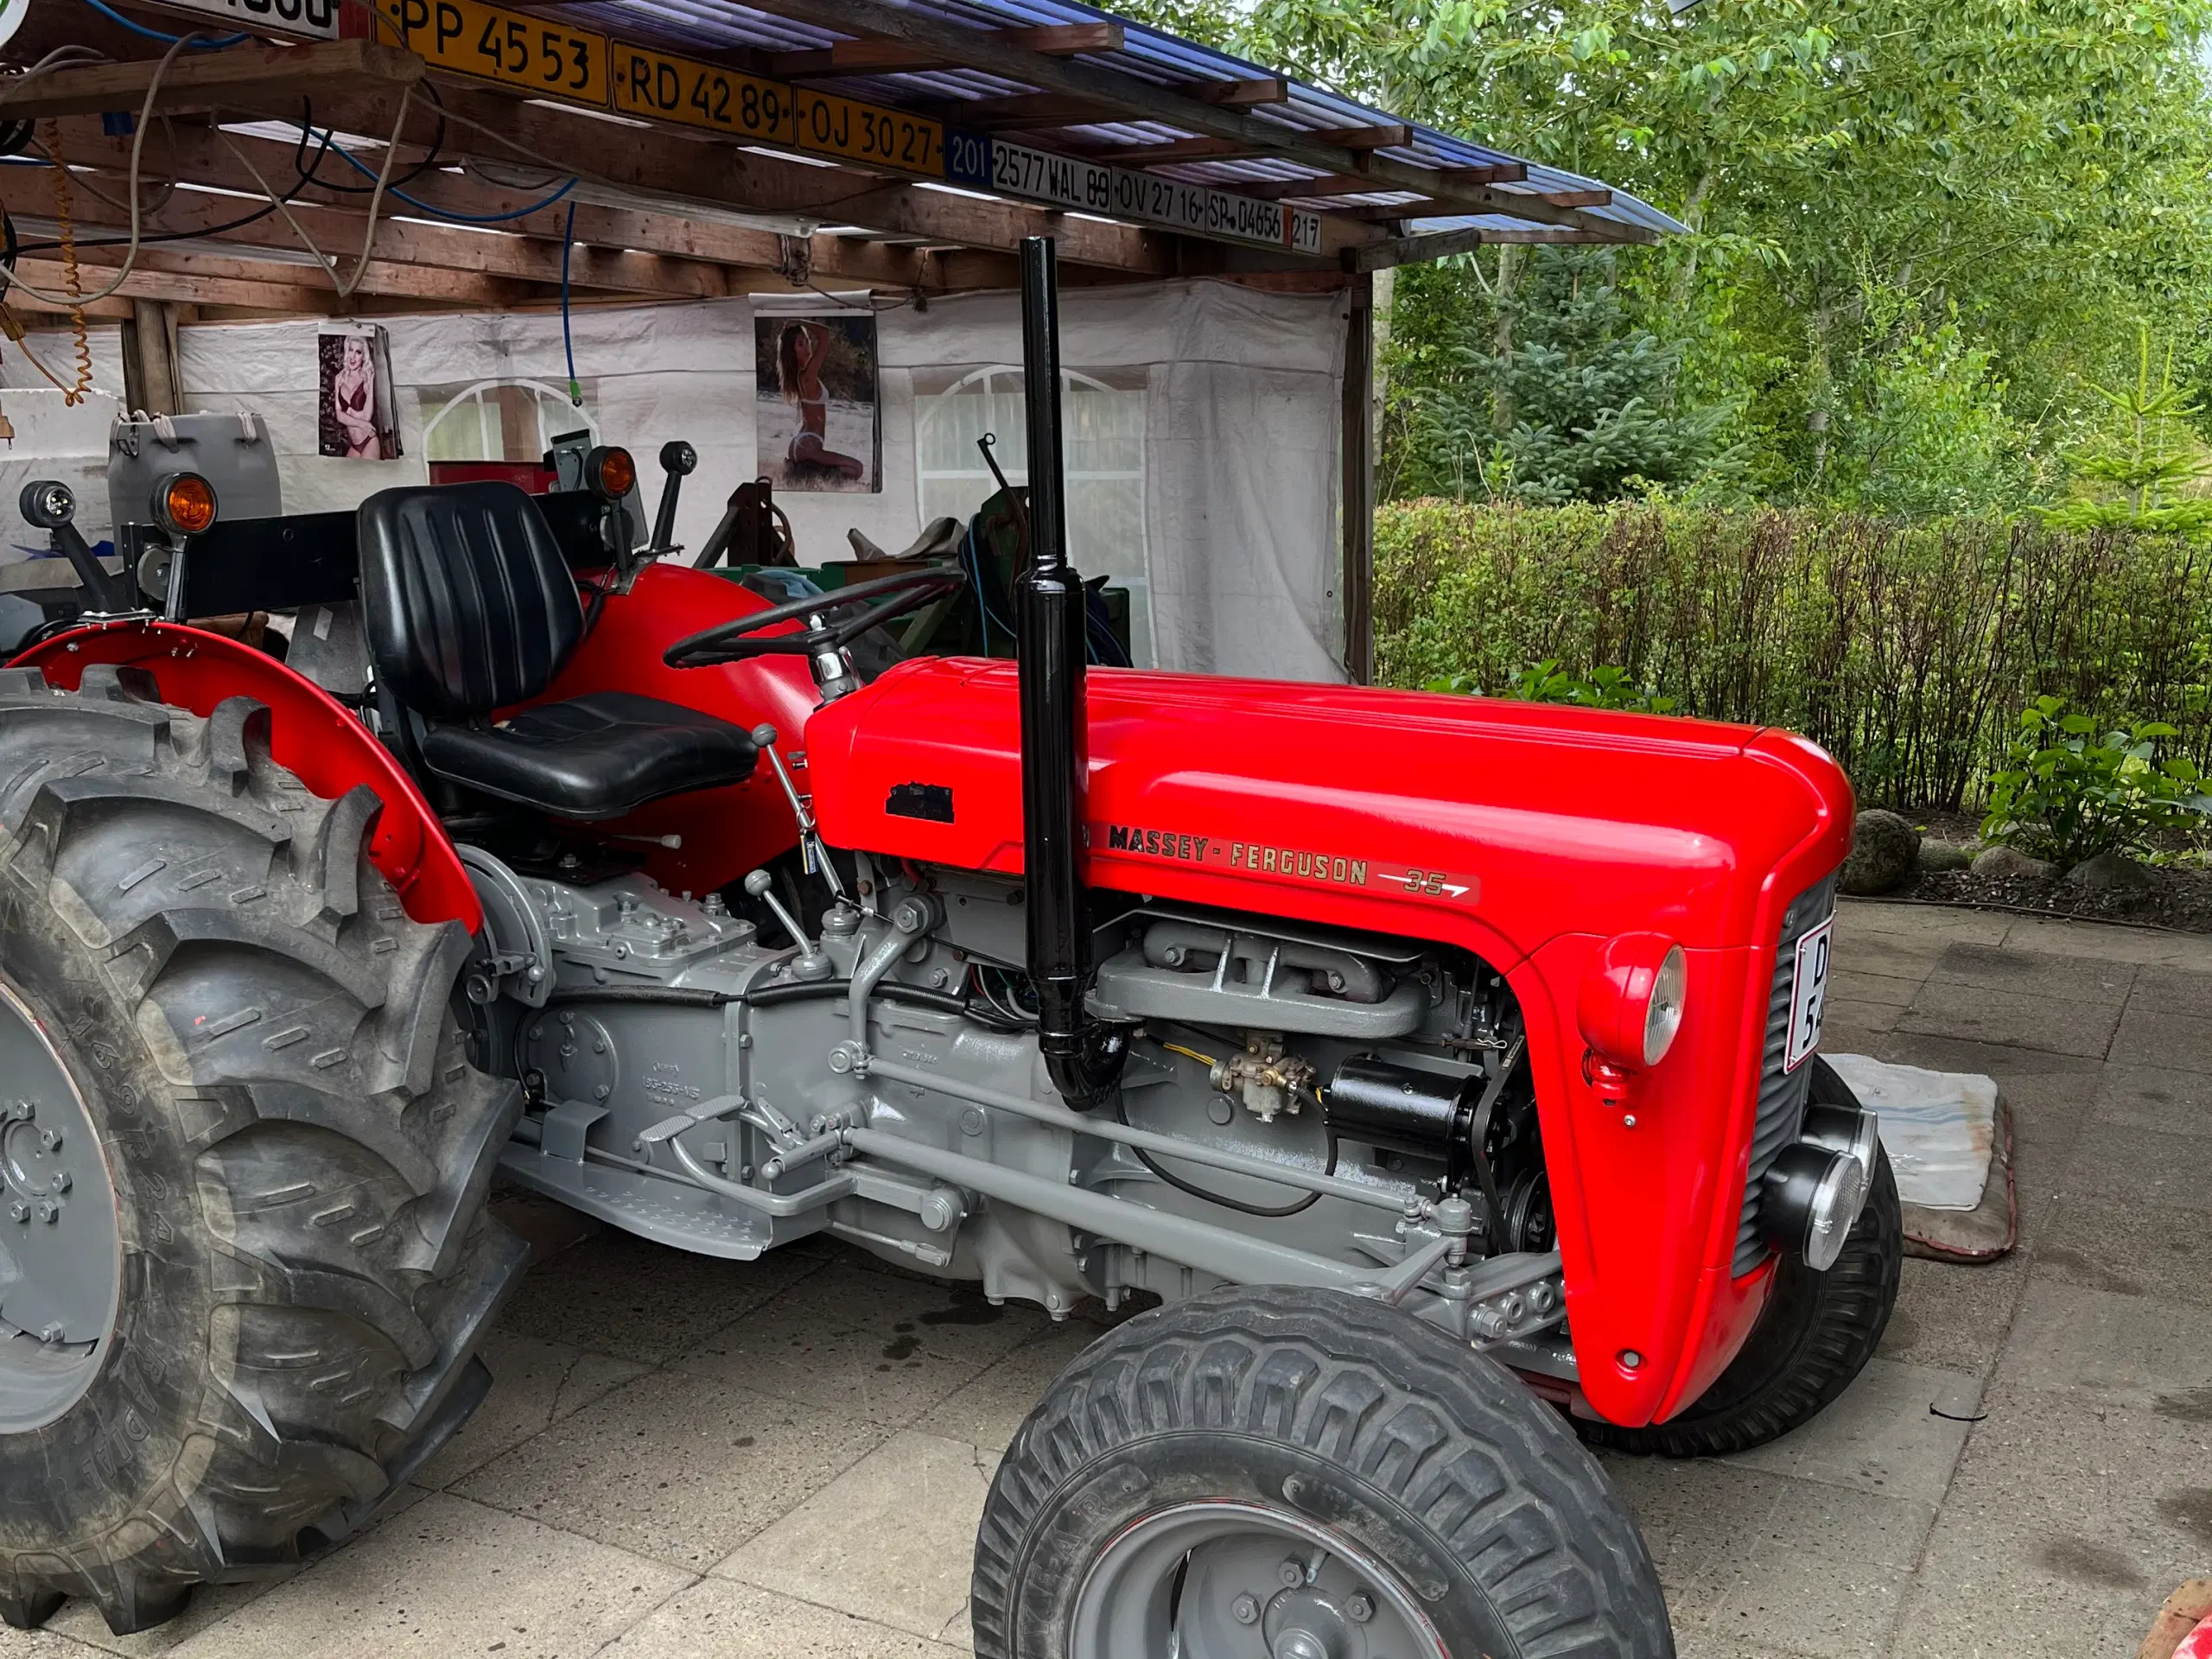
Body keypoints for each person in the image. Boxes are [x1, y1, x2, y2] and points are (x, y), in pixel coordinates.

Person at [777, 319, 865, 482]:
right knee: (857, 469)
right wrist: (799, 320)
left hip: (801, 443)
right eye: (800, 344)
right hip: (809, 444)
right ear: (793, 350)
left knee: (849, 469)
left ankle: (803, 470)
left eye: (807, 341)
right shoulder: (807, 376)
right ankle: (807, 474)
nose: (807, 347)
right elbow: (824, 335)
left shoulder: (800, 374)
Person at [331, 334, 382, 460]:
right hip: (354, 445)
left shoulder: (366, 377)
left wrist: (370, 380)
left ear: (364, 356)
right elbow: (339, 415)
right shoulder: (339, 379)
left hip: (369, 441)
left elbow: (366, 416)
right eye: (351, 350)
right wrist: (362, 425)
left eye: (358, 352)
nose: (353, 357)